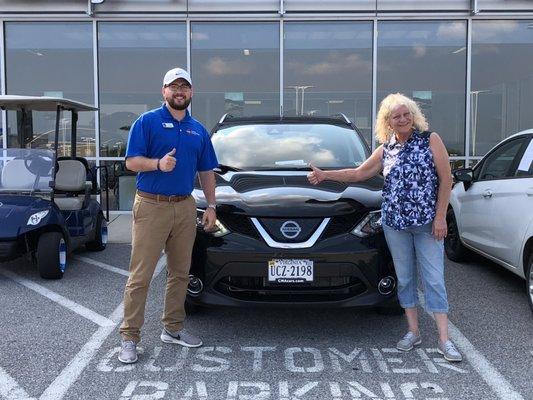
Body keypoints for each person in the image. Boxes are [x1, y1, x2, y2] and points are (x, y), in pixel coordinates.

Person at [307, 93, 462, 363]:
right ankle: (413, 332)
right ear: (387, 121)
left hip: (427, 224)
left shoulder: (430, 140)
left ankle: (444, 339)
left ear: (413, 115)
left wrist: (440, 218)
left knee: (434, 279)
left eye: (406, 114)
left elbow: (446, 179)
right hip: (395, 225)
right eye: (396, 116)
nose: (402, 119)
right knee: (405, 278)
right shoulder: (386, 148)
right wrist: (325, 175)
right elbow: (358, 173)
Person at [118, 67, 218, 364]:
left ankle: (172, 329)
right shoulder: (147, 122)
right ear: (163, 91)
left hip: (185, 206)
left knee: (180, 273)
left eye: (184, 87)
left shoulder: (198, 130)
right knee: (141, 275)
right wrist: (158, 165)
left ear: (191, 93)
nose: (179, 91)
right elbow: (132, 162)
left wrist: (211, 205)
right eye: (173, 86)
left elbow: (207, 171)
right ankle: (129, 337)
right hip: (151, 205)